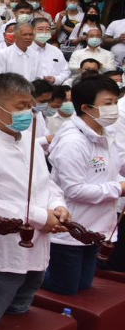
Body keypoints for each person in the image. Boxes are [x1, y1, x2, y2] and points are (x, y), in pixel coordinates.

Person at [0, 73, 71, 329]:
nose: (29, 112)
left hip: (37, 245)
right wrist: (42, 217)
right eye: (21, 106)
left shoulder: (28, 140)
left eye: (30, 105)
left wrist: (58, 205)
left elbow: (46, 182)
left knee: (18, 312)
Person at [43, 76, 125, 295]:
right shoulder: (73, 141)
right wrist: (119, 188)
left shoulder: (106, 134)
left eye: (116, 102)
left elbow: (114, 168)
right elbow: (74, 190)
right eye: (107, 103)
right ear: (86, 107)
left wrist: (118, 183)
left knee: (84, 287)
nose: (114, 109)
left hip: (96, 229)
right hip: (71, 230)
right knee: (64, 289)